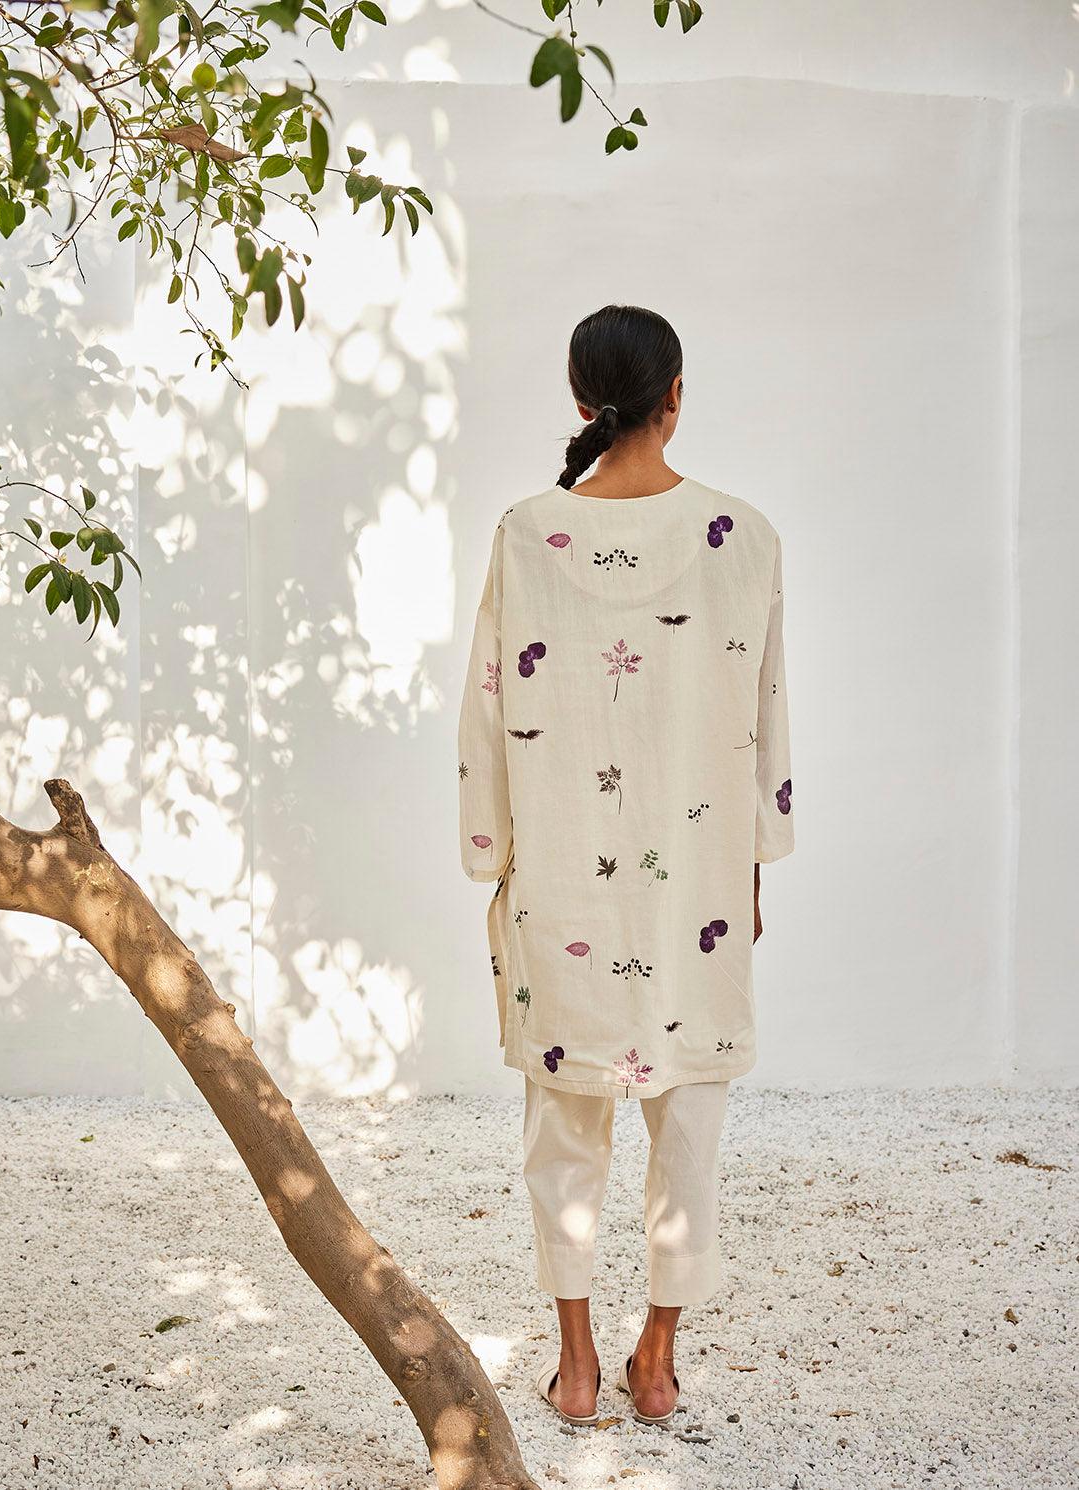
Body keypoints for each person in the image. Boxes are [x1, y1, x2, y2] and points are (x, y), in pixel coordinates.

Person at [456, 304, 795, 1427]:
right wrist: (754, 862)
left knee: (563, 1118)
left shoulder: (525, 533)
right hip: (697, 878)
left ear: (579, 397)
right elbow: (765, 713)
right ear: (676, 394)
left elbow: (488, 708)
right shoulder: (745, 536)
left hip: (561, 872)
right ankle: (657, 1358)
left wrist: (491, 854)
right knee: (687, 1117)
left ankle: (576, 1363)